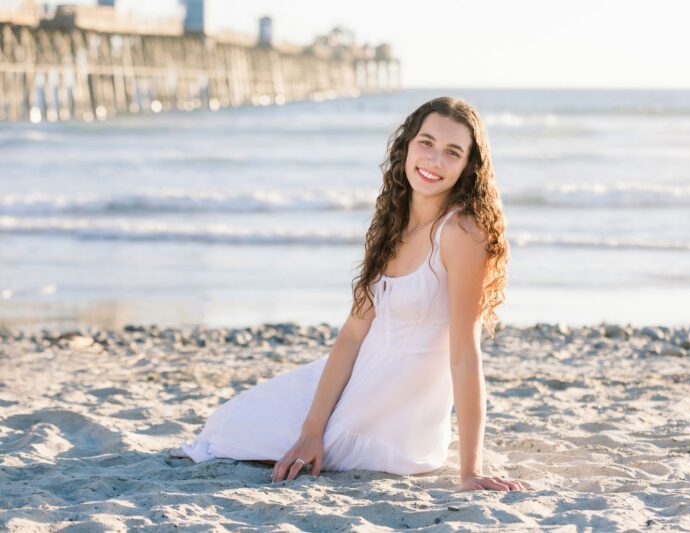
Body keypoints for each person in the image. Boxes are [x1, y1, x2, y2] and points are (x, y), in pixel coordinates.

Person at [174, 96, 525, 492]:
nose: (434, 160)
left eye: (452, 152)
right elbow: (353, 335)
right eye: (426, 143)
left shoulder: (461, 233)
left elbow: (465, 353)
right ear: (407, 145)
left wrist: (470, 471)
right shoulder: (390, 226)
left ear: (467, 167)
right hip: (356, 380)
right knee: (227, 421)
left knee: (233, 436)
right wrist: (311, 429)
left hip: (393, 423)